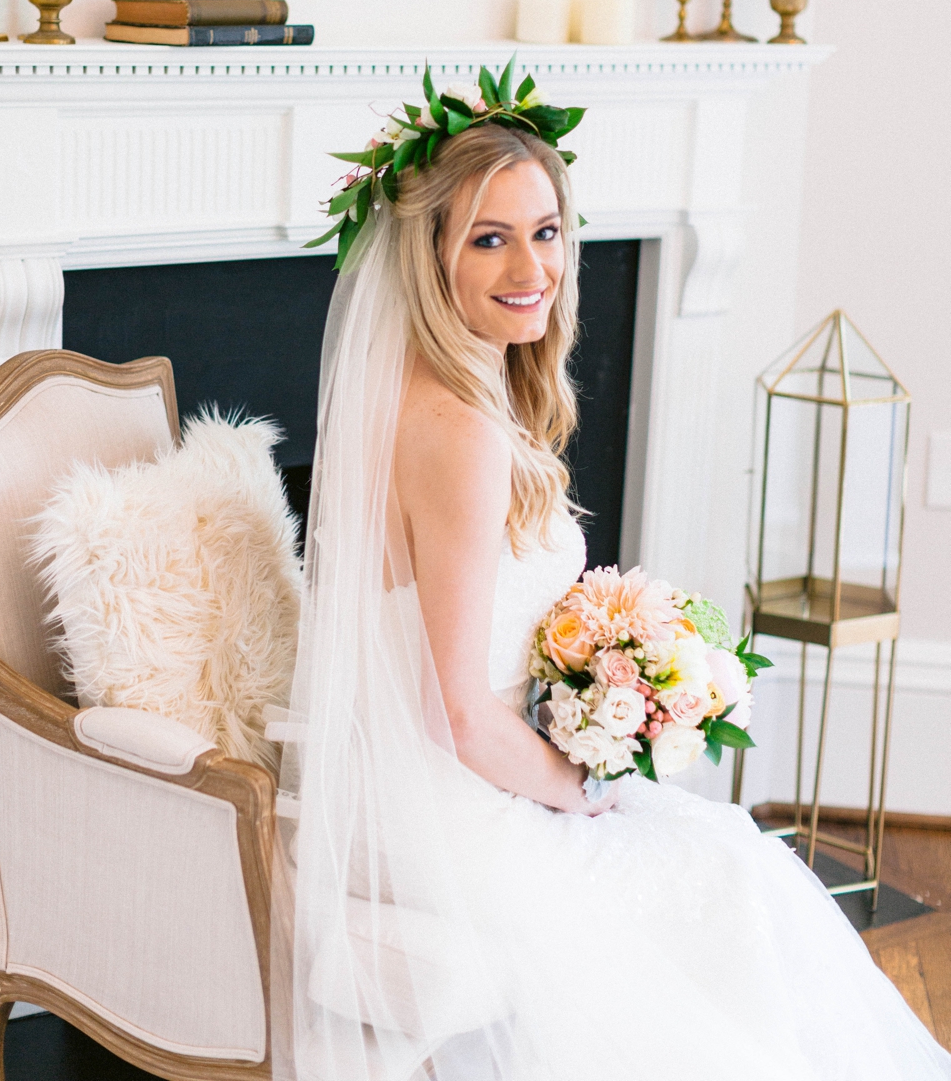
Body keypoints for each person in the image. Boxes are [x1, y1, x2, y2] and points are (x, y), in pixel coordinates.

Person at [277, 68, 950, 1079]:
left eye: (543, 230)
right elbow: (453, 709)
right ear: (429, 256)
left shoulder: (431, 393)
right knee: (729, 870)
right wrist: (576, 786)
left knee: (729, 857)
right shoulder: (455, 431)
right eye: (487, 237)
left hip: (419, 773)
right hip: (443, 801)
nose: (529, 266)